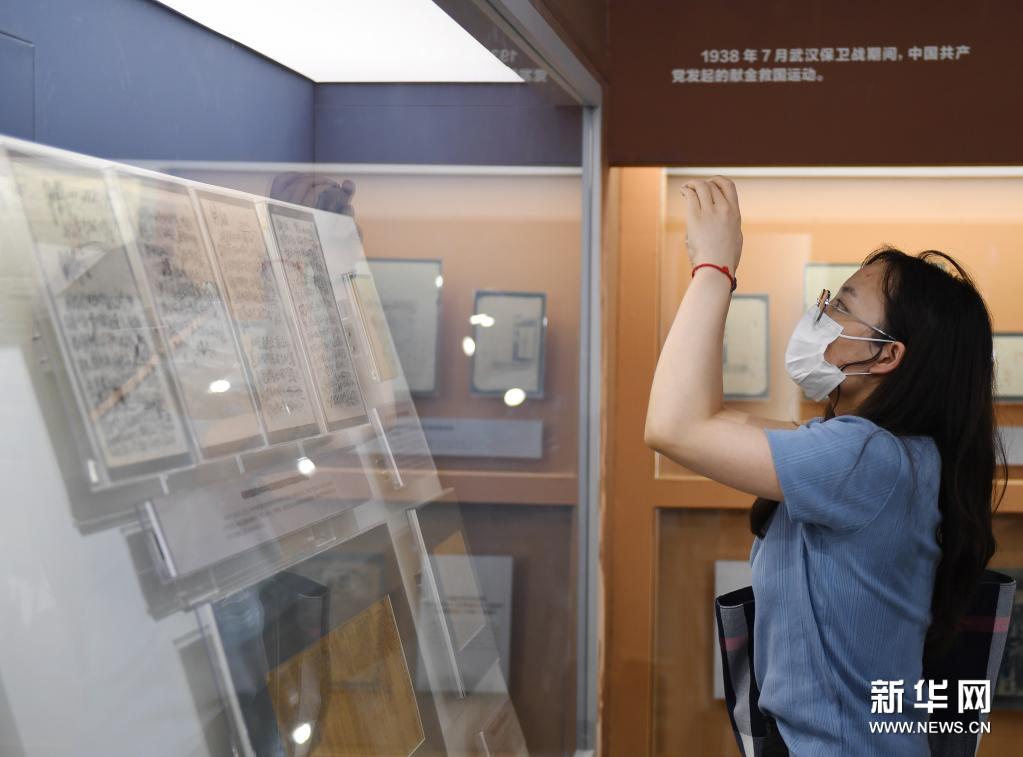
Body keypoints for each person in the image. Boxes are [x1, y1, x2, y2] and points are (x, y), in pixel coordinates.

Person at [643, 176, 1005, 755]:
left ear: (886, 356)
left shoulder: (866, 459)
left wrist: (714, 268)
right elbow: (703, 417)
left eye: (840, 305)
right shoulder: (884, 457)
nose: (820, 313)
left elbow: (673, 426)